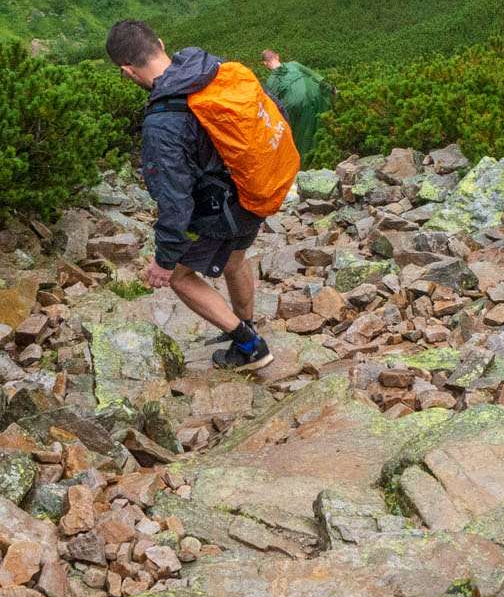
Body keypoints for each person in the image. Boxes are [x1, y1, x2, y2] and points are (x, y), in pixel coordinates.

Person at [107, 19, 273, 372]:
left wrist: (164, 260)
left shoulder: (163, 120)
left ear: (126, 70)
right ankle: (246, 328)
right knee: (234, 260)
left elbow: (175, 200)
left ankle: (250, 346)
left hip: (224, 204)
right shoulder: (208, 67)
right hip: (254, 186)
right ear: (161, 44)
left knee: (180, 277)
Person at [261, 49, 334, 160]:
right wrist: (332, 89)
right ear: (277, 56)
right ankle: (326, 150)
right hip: (315, 95)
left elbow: (274, 105)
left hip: (294, 106)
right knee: (319, 123)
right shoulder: (294, 64)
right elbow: (316, 76)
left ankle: (305, 160)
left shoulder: (271, 81)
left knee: (301, 135)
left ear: (265, 64)